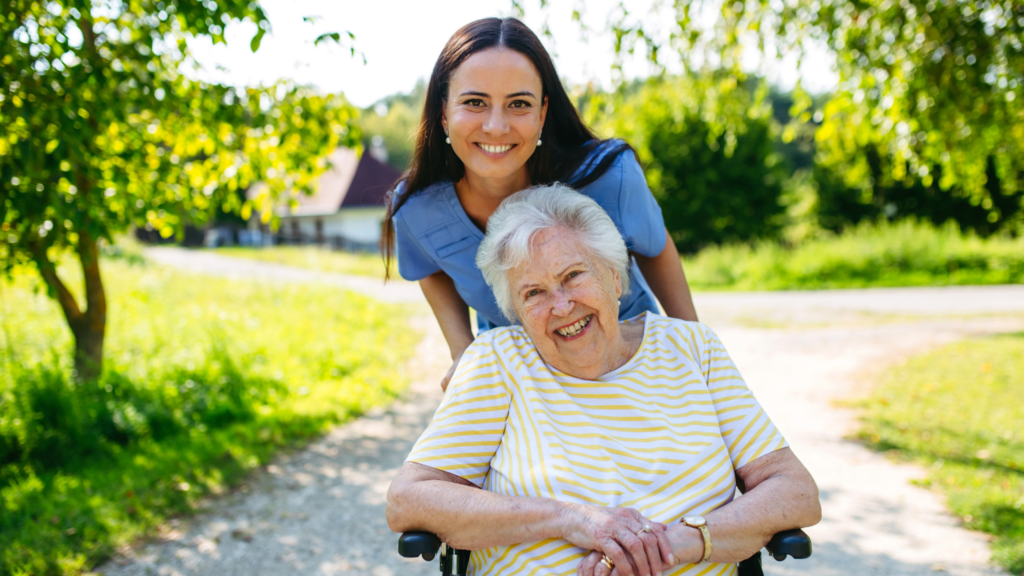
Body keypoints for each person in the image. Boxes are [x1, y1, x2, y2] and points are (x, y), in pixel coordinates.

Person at [386, 185, 821, 576]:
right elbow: (408, 499)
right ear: (516, 313)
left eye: (573, 275)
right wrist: (573, 520)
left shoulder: (692, 348)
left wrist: (668, 546)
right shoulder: (498, 361)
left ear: (614, 277)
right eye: (533, 293)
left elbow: (795, 491)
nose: (560, 305)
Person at [383, 17, 699, 391]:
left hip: (632, 362)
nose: (496, 126)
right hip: (522, 378)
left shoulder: (609, 178)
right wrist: (462, 350)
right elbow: (428, 266)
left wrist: (695, 348)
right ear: (444, 114)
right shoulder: (417, 210)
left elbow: (655, 248)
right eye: (474, 102)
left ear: (543, 113)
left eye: (518, 103)